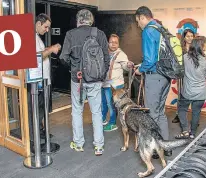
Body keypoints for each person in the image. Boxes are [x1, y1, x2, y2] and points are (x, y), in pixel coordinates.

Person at [60, 9, 110, 156]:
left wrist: (74, 67)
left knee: (77, 111)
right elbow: (106, 58)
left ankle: (78, 143)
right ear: (91, 20)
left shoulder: (71, 34)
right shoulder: (99, 34)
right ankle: (99, 146)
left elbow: (63, 58)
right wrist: (101, 74)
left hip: (78, 79)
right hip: (96, 80)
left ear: (78, 20)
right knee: (96, 112)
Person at [134, 6, 172, 157]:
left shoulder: (148, 30)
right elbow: (156, 57)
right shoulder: (161, 28)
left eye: (138, 21)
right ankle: (166, 146)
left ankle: (157, 148)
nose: (138, 25)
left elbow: (149, 60)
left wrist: (140, 70)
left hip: (154, 77)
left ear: (143, 17)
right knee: (161, 112)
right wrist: (143, 65)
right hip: (165, 76)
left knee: (152, 114)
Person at [28, 13, 61, 148]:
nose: (47, 30)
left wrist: (49, 48)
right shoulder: (31, 37)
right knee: (35, 109)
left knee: (42, 108)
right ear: (38, 24)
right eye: (46, 27)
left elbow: (41, 52)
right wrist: (51, 49)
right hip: (38, 82)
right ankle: (32, 137)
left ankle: (39, 131)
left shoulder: (37, 38)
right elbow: (35, 56)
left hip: (44, 81)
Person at [175, 36, 206, 139]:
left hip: (187, 91)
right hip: (201, 92)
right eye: (205, 43)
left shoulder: (184, 57)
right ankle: (192, 133)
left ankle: (185, 131)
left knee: (182, 109)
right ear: (202, 45)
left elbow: (179, 72)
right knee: (196, 112)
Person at [102, 34, 133, 131]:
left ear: (118, 44)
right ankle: (102, 119)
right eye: (111, 42)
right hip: (104, 83)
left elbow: (125, 66)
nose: (113, 44)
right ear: (108, 42)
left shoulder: (121, 54)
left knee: (111, 105)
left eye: (116, 42)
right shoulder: (105, 52)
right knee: (103, 103)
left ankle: (112, 123)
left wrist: (128, 65)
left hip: (115, 85)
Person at [172, 29, 195, 123]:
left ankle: (194, 118)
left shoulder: (196, 47)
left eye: (191, 36)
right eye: (188, 36)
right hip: (182, 75)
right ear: (184, 37)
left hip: (193, 75)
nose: (190, 38)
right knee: (180, 96)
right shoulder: (180, 48)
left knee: (193, 96)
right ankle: (178, 114)